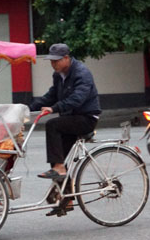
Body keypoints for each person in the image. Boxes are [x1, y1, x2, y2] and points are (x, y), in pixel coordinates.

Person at [30, 44, 101, 215]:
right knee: (56, 156)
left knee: (52, 125)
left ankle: (60, 169)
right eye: (51, 61)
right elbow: (51, 95)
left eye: (56, 61)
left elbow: (77, 99)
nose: (53, 64)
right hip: (71, 118)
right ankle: (67, 199)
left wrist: (54, 109)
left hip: (86, 117)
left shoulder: (81, 73)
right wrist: (28, 108)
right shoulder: (58, 75)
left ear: (67, 58)